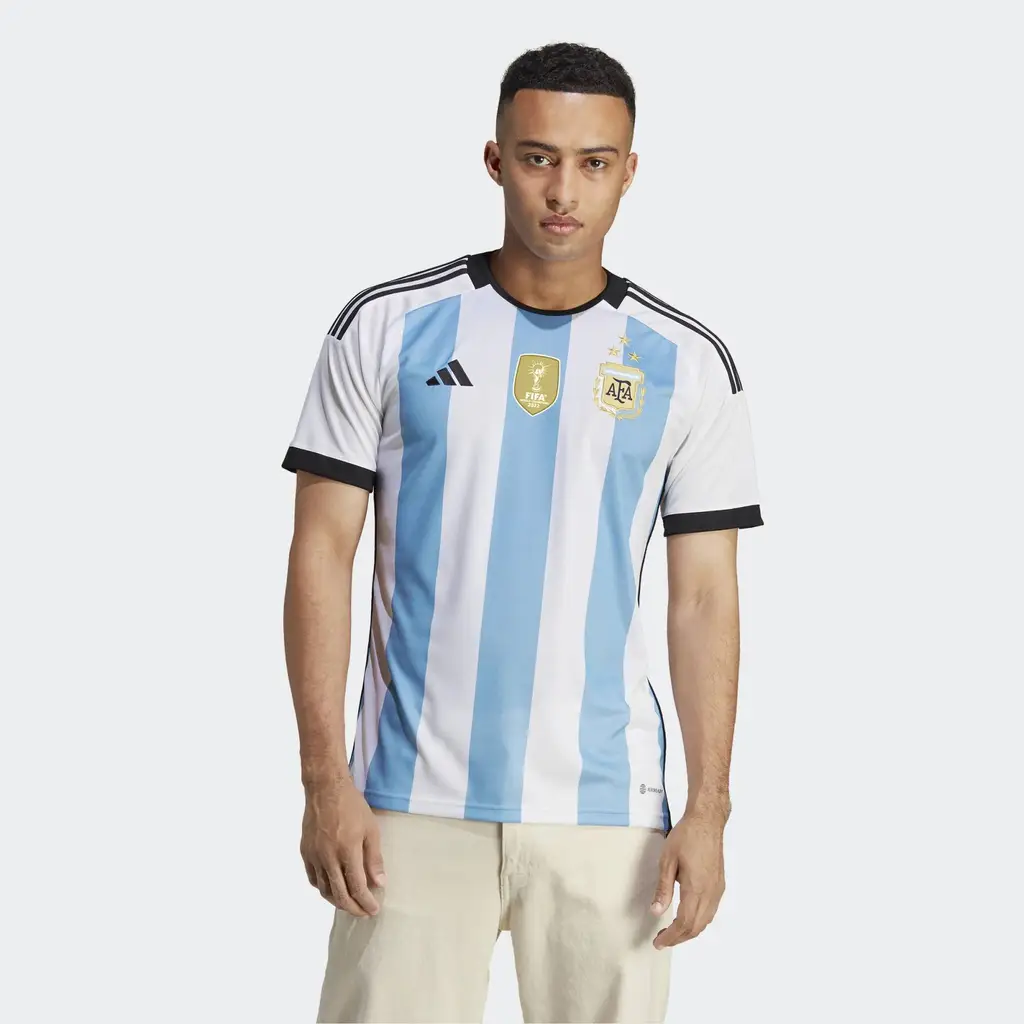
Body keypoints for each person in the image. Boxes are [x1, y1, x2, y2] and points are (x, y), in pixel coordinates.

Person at [281, 40, 764, 1024]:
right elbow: (321, 554)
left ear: (629, 171)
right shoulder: (386, 327)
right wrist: (325, 780)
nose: (563, 190)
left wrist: (708, 810)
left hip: (607, 813)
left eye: (593, 162)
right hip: (404, 805)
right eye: (539, 157)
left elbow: (705, 599)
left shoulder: (685, 363)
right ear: (496, 159)